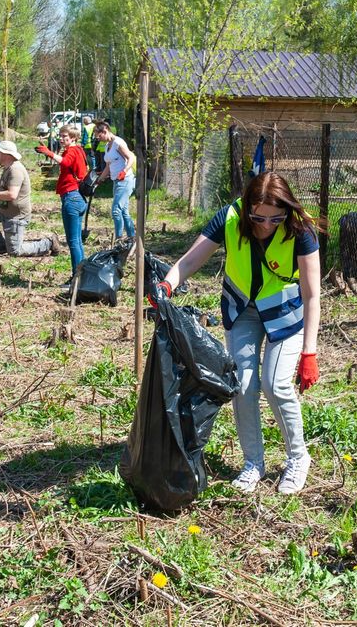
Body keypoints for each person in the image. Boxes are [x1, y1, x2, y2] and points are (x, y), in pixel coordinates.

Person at [152, 172, 321, 495]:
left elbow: (312, 294)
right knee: (243, 385)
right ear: (247, 209)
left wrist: (309, 353)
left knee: (275, 384)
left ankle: (298, 458)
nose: (267, 225)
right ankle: (253, 463)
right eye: (259, 217)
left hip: (284, 314)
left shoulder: (300, 228)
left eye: (275, 218)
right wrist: (167, 284)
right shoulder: (229, 218)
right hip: (242, 310)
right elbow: (189, 261)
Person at [0, 141, 58, 257]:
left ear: (6, 154)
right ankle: (0, 246)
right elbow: (5, 188)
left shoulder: (16, 170)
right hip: (5, 210)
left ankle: (48, 243)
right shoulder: (8, 168)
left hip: (16, 215)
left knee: (15, 251)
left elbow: (12, 195)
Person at [36, 124, 88, 287]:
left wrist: (49, 153)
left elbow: (65, 163)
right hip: (77, 197)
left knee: (73, 241)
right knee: (77, 241)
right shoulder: (79, 150)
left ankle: (76, 278)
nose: (62, 139)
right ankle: (81, 276)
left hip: (72, 198)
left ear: (73, 138)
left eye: (66, 137)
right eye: (61, 136)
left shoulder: (72, 151)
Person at [92, 121, 136, 243]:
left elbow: (130, 157)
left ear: (105, 131)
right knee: (124, 211)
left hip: (125, 180)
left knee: (116, 210)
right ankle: (132, 237)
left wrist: (125, 170)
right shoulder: (107, 146)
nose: (99, 139)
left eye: (99, 136)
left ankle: (119, 239)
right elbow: (108, 166)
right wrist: (100, 180)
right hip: (116, 181)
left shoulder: (118, 142)